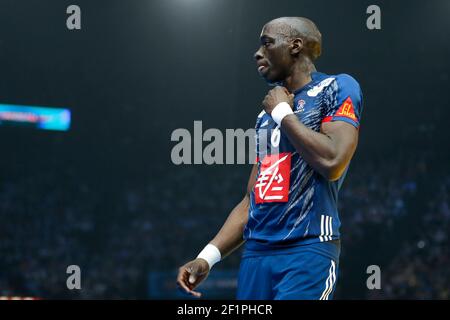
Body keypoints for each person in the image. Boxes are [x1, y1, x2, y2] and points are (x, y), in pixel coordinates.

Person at [177, 16, 363, 300]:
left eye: (267, 43)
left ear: (295, 46)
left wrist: (283, 115)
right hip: (256, 256)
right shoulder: (265, 116)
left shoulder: (336, 87)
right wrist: (207, 257)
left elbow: (333, 161)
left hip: (307, 248)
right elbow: (253, 198)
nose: (257, 52)